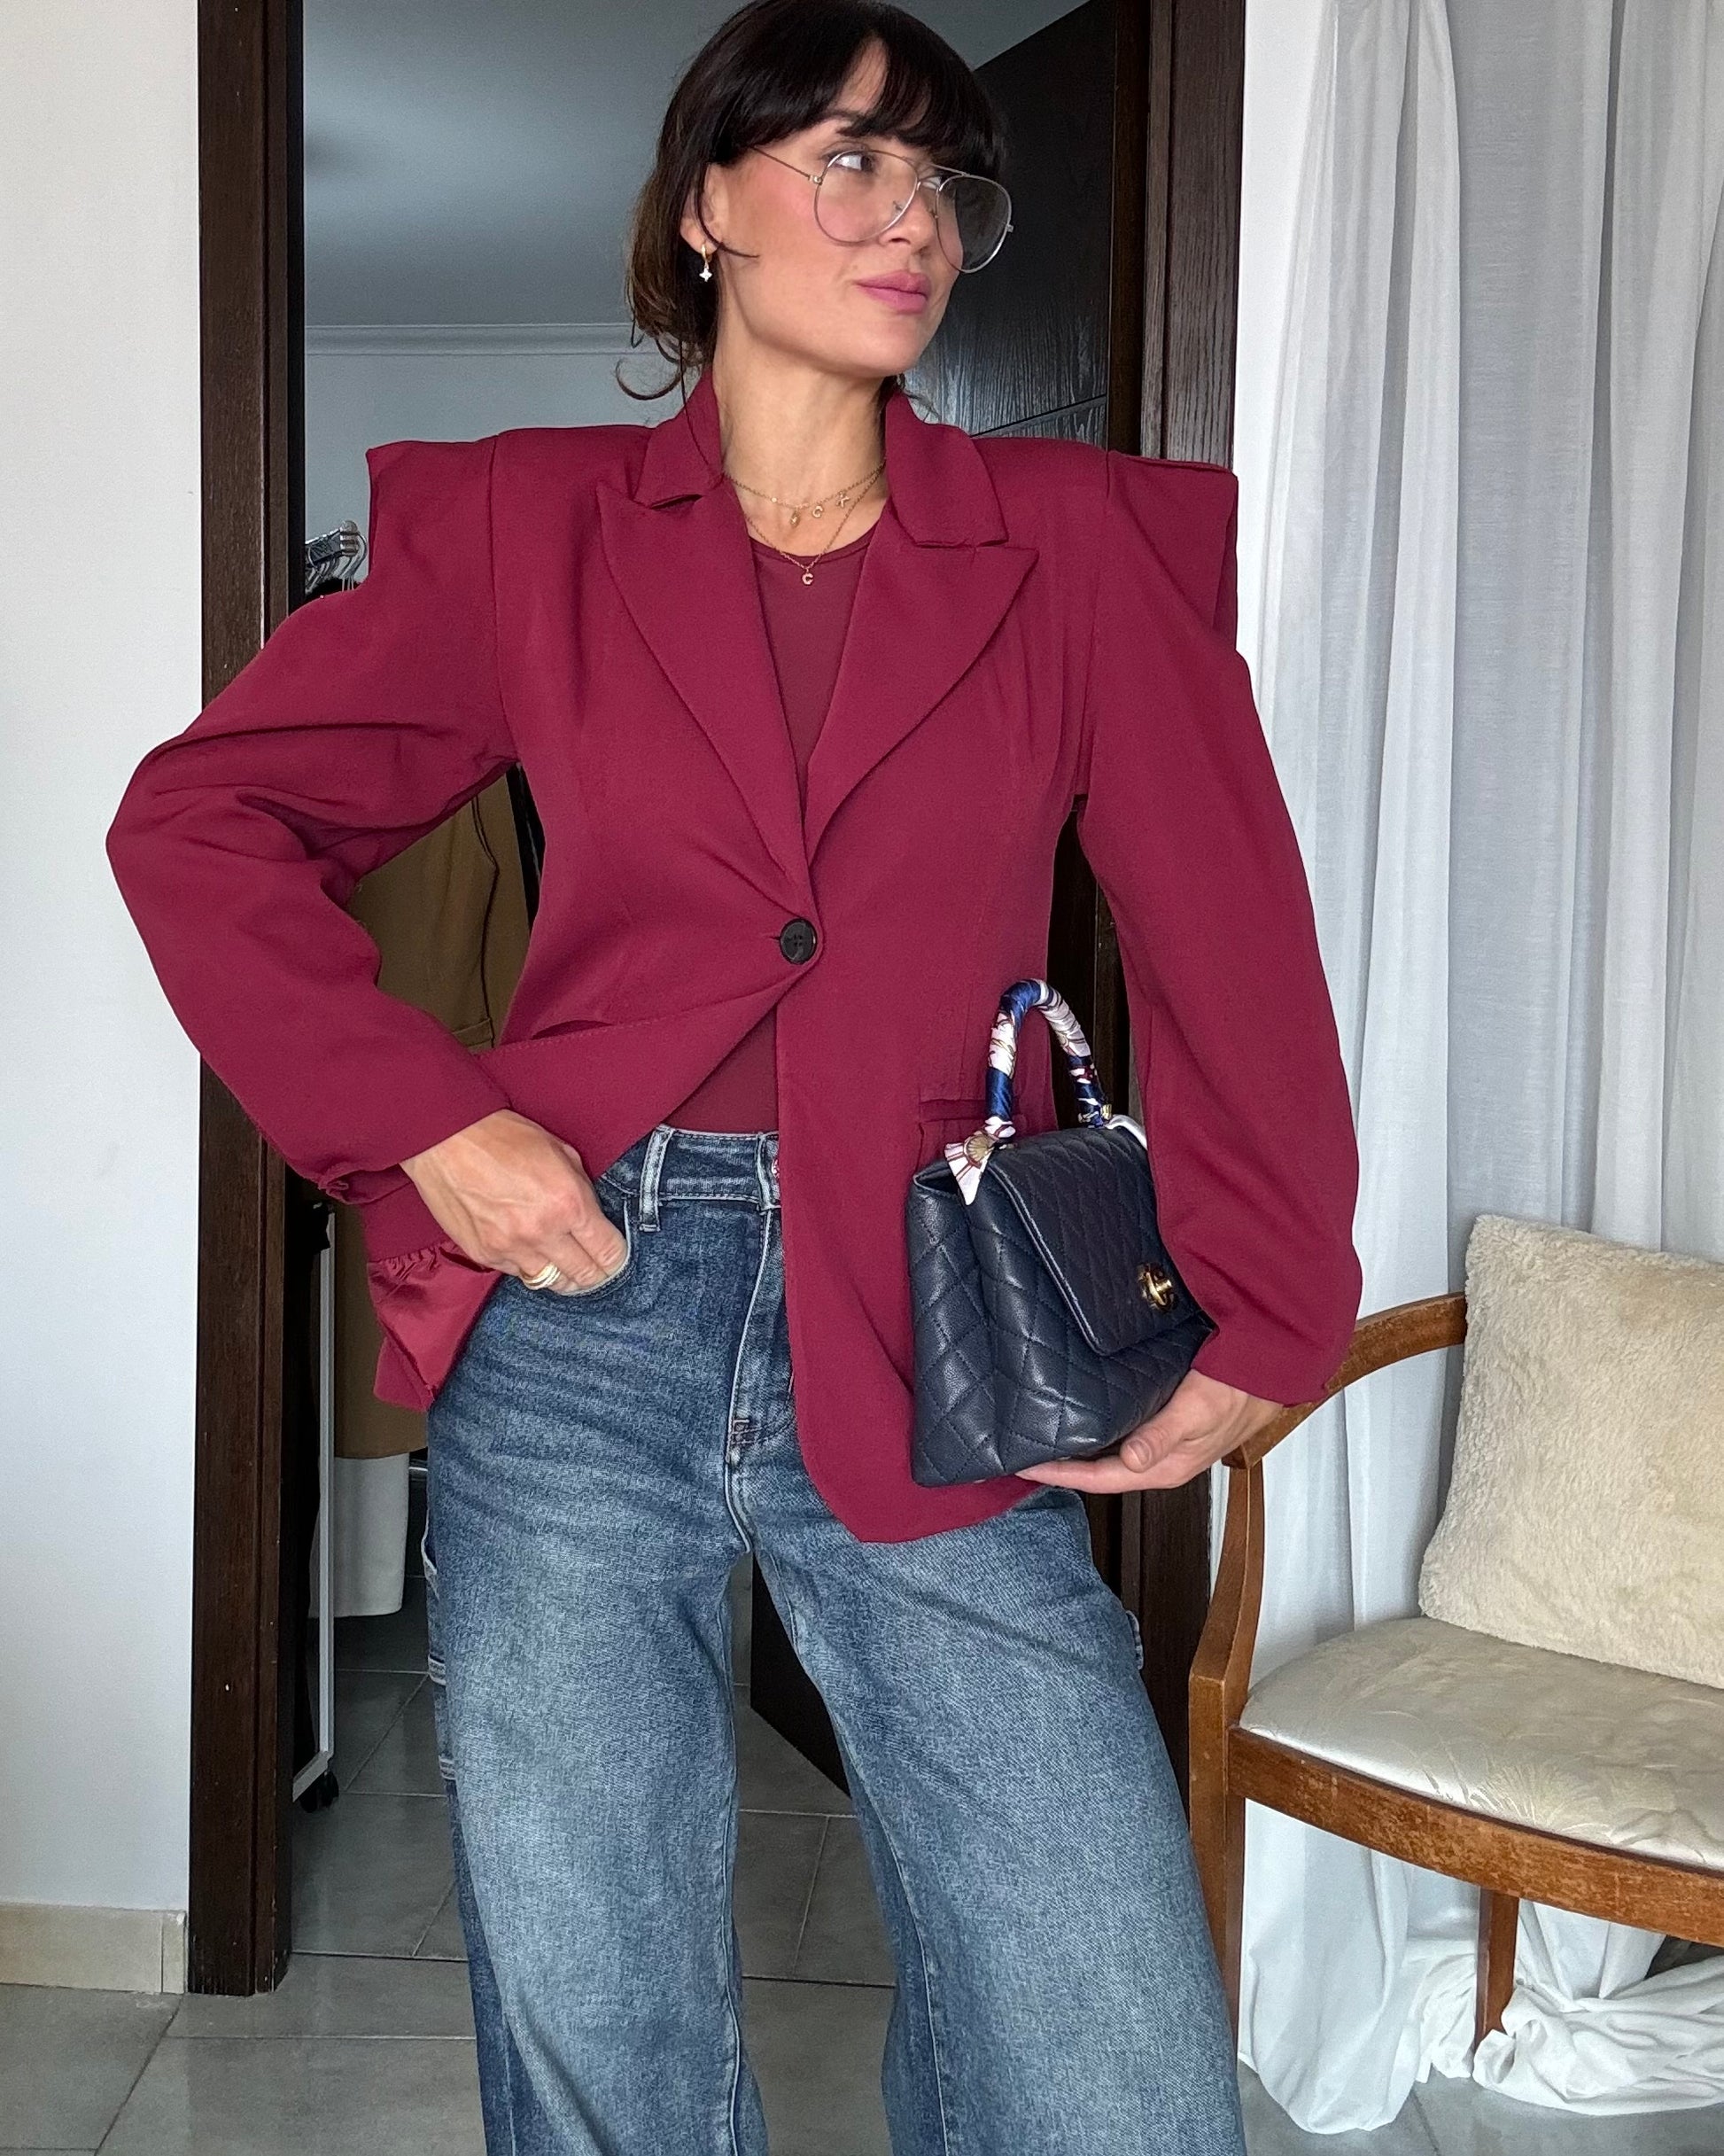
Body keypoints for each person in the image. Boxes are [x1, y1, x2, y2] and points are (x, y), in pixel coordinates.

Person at [105, 3, 1361, 2149]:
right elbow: (201, 823)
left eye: (944, 183)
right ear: (704, 205)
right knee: (594, 1996)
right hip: (585, 1303)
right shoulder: (525, 527)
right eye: (850, 159)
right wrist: (432, 1115)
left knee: (1106, 2036)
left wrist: (1272, 1294)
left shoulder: (1075, 543)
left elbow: (1226, 930)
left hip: (946, 1310)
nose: (912, 221)